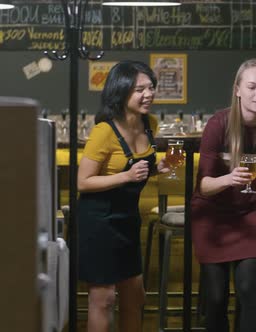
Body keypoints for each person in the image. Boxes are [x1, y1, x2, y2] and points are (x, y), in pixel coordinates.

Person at [190, 58, 256, 332]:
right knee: (216, 298)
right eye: (252, 87)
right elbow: (204, 186)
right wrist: (228, 178)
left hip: (249, 213)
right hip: (212, 216)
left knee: (249, 290)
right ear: (237, 90)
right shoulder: (218, 124)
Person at [77, 60, 169, 332]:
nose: (148, 94)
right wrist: (127, 177)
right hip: (98, 222)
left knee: (134, 296)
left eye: (151, 87)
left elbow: (137, 170)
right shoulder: (104, 131)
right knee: (103, 299)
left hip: (128, 221)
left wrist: (157, 169)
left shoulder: (150, 124)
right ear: (121, 91)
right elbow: (83, 182)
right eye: (139, 89)